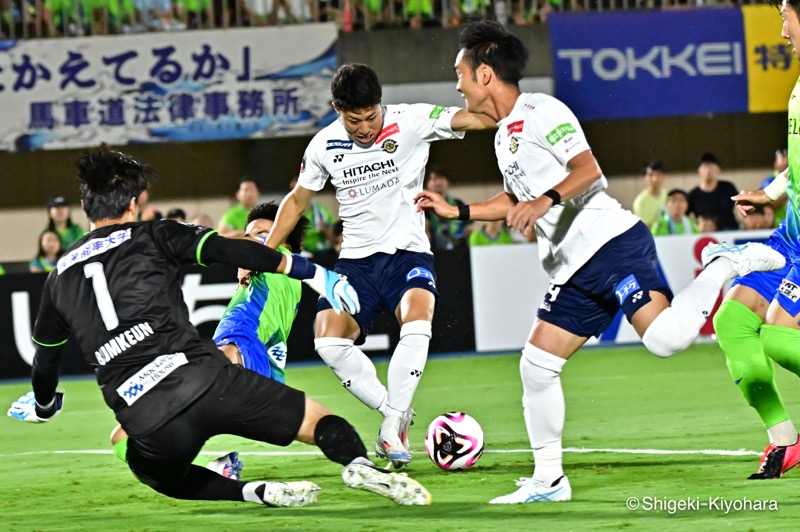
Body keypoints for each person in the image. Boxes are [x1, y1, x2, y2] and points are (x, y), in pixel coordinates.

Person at [414, 20, 786, 503]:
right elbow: (515, 199)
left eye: (460, 72)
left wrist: (545, 201)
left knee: (667, 341)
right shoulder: (504, 133)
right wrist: (458, 210)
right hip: (571, 269)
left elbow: (588, 170)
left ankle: (724, 265)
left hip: (609, 244)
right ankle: (549, 480)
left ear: (485, 74)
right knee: (536, 367)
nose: (457, 83)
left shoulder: (541, 110)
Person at [6, 143, 431, 508]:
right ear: (135, 202)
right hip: (210, 383)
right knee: (318, 421)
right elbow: (233, 251)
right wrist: (314, 273)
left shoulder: (58, 276)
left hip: (148, 420)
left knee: (153, 470)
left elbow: (45, 361)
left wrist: (44, 404)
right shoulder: (156, 235)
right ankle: (357, 465)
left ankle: (251, 491)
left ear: (84, 207)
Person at [264, 63, 496, 468]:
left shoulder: (412, 120)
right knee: (327, 341)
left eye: (372, 116)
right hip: (355, 262)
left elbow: (477, 118)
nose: (366, 128)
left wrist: (502, 101)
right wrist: (264, 252)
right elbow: (298, 200)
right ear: (337, 109)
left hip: (408, 253)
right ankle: (397, 413)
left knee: (418, 319)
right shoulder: (323, 145)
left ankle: (390, 431)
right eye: (355, 120)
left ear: (381, 104)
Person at [107, 202, 310, 480]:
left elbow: (259, 250)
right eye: (247, 235)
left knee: (129, 433)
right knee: (122, 436)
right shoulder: (278, 276)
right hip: (253, 372)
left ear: (282, 236)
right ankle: (214, 466)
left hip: (235, 358)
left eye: (259, 234)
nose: (248, 241)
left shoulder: (277, 261)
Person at [712, 0, 800, 480]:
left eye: (785, 17)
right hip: (791, 238)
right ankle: (784, 440)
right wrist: (769, 193)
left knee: (780, 335)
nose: (782, 31)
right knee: (733, 323)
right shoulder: (799, 87)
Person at [687, 152, 740, 231]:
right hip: (704, 234)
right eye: (705, 167)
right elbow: (684, 216)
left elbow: (740, 206)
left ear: (718, 169)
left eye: (712, 167)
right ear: (699, 170)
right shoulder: (693, 195)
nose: (709, 170)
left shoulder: (728, 188)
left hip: (729, 231)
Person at [425, 165, 471, 250]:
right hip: (435, 252)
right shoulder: (425, 207)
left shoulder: (458, 203)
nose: (438, 182)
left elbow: (468, 229)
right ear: (427, 183)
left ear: (447, 182)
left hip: (459, 252)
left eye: (441, 178)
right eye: (434, 179)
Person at [289, 176, 336, 255]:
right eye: (294, 192)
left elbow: (334, 240)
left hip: (321, 253)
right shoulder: (288, 213)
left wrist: (325, 230)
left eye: (302, 191)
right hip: (299, 254)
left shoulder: (322, 212)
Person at [632, 160, 667, 229]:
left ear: (664, 176)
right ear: (644, 178)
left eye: (658, 174)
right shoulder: (640, 201)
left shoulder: (668, 195)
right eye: (651, 175)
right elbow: (644, 227)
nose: (655, 178)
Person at [760, 148, 789, 226]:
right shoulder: (770, 181)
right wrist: (788, 194)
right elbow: (768, 204)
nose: (786, 161)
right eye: (782, 159)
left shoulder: (795, 179)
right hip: (777, 225)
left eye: (787, 158)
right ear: (775, 163)